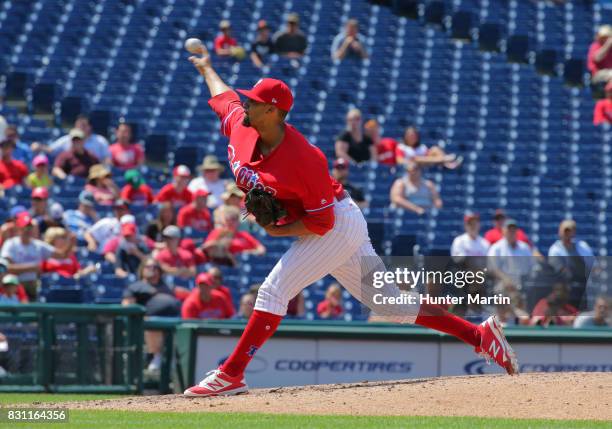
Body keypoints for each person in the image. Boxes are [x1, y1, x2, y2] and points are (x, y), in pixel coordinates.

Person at [182, 43, 518, 397]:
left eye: (253, 101)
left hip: (335, 223)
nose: (245, 103)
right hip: (338, 222)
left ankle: (231, 373)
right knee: (387, 302)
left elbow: (321, 225)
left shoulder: (304, 159)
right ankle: (479, 335)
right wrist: (206, 67)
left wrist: (273, 228)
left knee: (273, 291)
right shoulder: (242, 124)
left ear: (273, 111)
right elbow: (225, 98)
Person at [122, 258, 181, 372]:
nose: (152, 270)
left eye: (155, 267)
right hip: (149, 322)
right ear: (142, 270)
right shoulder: (136, 286)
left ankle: (173, 359)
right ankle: (156, 357)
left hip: (173, 320)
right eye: (149, 267)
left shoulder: (166, 286)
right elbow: (127, 307)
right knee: (153, 324)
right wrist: (141, 318)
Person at [1, 212, 75, 300]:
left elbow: (63, 255)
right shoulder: (11, 244)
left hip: (33, 286)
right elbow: (7, 268)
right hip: (13, 285)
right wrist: (32, 267)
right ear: (19, 228)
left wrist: (71, 243)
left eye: (30, 227)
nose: (28, 230)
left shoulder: (38, 245)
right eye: (25, 227)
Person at [486, 219, 534, 293]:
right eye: (509, 230)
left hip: (522, 284)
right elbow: (492, 269)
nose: (511, 232)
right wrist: (506, 279)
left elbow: (531, 266)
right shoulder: (496, 248)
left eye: (513, 230)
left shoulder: (524, 247)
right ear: (503, 231)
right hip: (501, 285)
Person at [39, 115, 111, 163]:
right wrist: (39, 147)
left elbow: (107, 159)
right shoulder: (67, 139)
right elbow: (51, 150)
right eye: (78, 125)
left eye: (83, 125)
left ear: (90, 127)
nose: (80, 128)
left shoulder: (100, 141)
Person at [396, 127, 462, 169]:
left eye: (414, 136)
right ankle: (445, 159)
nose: (412, 138)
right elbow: (400, 161)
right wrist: (412, 161)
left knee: (435, 149)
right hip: (411, 168)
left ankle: (448, 164)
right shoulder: (401, 147)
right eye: (410, 136)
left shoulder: (422, 147)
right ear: (405, 137)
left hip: (425, 165)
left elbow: (429, 157)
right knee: (416, 159)